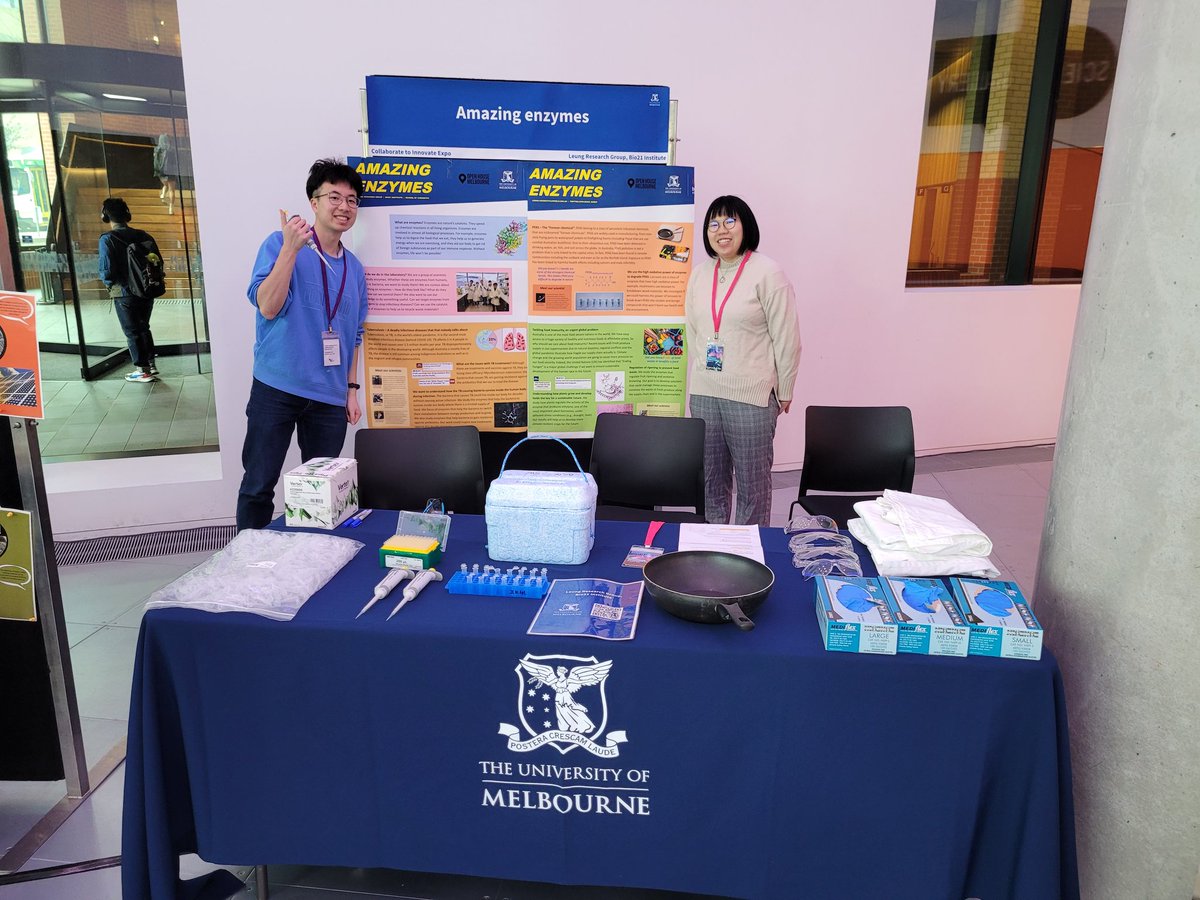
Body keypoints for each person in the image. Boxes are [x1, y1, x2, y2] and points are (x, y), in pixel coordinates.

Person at [236, 158, 368, 530]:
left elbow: (354, 335)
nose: (344, 207)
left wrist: (351, 390)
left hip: (328, 396)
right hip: (276, 387)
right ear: (314, 202)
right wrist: (290, 251)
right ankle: (248, 559)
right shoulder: (281, 243)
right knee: (259, 484)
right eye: (334, 197)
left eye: (352, 200)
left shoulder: (354, 269)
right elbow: (267, 305)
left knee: (322, 494)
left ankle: (312, 557)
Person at [685, 195, 801, 526]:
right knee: (711, 483)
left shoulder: (768, 272)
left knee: (753, 487)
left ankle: (749, 549)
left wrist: (785, 387)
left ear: (745, 225)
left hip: (751, 397)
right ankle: (715, 545)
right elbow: (693, 330)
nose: (721, 230)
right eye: (713, 223)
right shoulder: (699, 274)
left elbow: (787, 336)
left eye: (729, 221)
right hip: (705, 396)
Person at [98, 197, 160, 383]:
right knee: (143, 327)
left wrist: (108, 283)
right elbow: (157, 261)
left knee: (132, 331)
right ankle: (151, 364)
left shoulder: (108, 239)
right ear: (127, 214)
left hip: (124, 292)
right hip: (146, 290)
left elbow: (107, 270)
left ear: (105, 216)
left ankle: (143, 371)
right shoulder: (144, 235)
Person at [153, 134, 177, 215]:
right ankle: (171, 209)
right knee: (171, 190)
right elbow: (174, 162)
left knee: (165, 184)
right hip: (170, 171)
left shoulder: (156, 149)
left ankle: (163, 194)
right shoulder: (171, 150)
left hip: (160, 172)